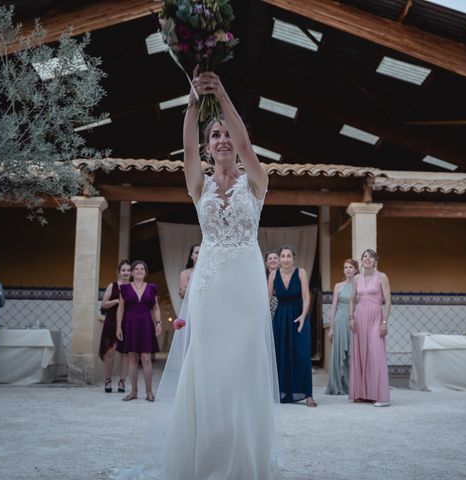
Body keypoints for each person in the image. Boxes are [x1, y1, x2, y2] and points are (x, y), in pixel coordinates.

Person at [152, 70, 281, 479]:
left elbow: (245, 143)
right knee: (206, 365)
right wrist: (193, 104)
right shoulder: (198, 185)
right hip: (208, 288)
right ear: (208, 149)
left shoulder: (256, 181)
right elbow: (186, 145)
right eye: (215, 137)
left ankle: (242, 462)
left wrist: (223, 94)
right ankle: (205, 460)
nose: (223, 140)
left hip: (245, 286)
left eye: (226, 134)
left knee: (243, 367)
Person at [269, 245, 316, 407]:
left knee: (302, 355)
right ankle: (282, 392)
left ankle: (308, 394)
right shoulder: (273, 275)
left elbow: (306, 296)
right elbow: (267, 299)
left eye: (289, 256)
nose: (285, 259)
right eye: (283, 256)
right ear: (279, 259)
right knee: (281, 355)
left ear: (293, 258)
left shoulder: (301, 272)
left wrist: (303, 315)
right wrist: (265, 321)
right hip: (281, 317)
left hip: (298, 316)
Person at [348, 249, 392, 406]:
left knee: (375, 353)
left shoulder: (382, 277)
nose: (367, 259)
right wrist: (351, 317)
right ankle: (363, 393)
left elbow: (387, 301)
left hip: (375, 317)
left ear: (375, 261)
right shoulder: (357, 278)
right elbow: (352, 299)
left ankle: (381, 396)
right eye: (365, 257)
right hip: (359, 317)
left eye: (370, 257)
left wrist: (384, 322)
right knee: (361, 354)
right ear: (362, 261)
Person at [115, 260, 161, 402]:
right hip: (130, 324)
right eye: (136, 269)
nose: (139, 271)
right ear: (132, 272)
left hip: (146, 323)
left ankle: (149, 392)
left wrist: (158, 323)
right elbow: (121, 308)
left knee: (146, 358)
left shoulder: (152, 288)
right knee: (132, 358)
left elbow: (155, 307)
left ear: (145, 273)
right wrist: (118, 326)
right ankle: (133, 392)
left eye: (142, 269)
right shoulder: (125, 288)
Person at [325, 259, 359, 395]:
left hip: (354, 320)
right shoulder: (338, 286)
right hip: (339, 320)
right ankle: (337, 385)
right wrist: (331, 328)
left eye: (351, 267)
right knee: (338, 352)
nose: (348, 270)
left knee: (353, 352)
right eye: (345, 267)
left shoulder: (360, 285)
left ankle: (352, 385)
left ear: (356, 270)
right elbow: (333, 307)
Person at [99, 260, 131, 393]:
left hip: (128, 322)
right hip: (111, 321)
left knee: (125, 353)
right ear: (119, 272)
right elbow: (103, 304)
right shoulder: (112, 286)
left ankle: (122, 382)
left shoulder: (133, 287)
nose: (126, 273)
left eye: (128, 270)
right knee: (110, 352)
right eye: (123, 270)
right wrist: (117, 301)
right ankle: (107, 380)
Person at [264, 249, 279, 317]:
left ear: (279, 261)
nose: (273, 260)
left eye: (275, 258)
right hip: (267, 308)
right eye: (270, 258)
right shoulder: (262, 278)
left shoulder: (285, 276)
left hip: (281, 308)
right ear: (266, 263)